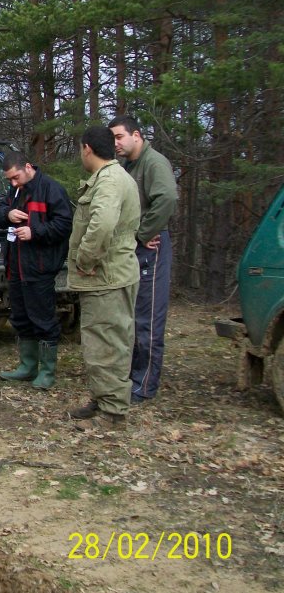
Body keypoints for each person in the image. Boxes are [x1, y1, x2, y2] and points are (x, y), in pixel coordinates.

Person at [67, 126, 141, 431]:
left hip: (106, 276)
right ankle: (103, 399)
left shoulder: (109, 180)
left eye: (80, 150)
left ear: (87, 148)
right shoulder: (115, 177)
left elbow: (103, 224)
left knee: (107, 344)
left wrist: (86, 259)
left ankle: (112, 414)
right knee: (103, 341)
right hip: (110, 274)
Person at [108, 116, 178, 403]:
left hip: (151, 247)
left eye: (119, 137)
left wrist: (143, 233)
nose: (115, 144)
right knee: (132, 316)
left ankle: (144, 385)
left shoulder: (154, 162)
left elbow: (167, 198)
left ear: (136, 135)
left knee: (148, 318)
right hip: (133, 248)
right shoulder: (129, 166)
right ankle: (131, 376)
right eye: (112, 139)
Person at [0, 151, 73, 389]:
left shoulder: (51, 189)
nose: (13, 183)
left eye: (15, 177)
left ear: (28, 167)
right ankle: (27, 366)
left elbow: (64, 225)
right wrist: (7, 214)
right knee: (20, 317)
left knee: (43, 319)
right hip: (16, 266)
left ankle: (47, 371)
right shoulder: (15, 191)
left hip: (40, 267)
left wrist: (34, 231)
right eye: (9, 179)